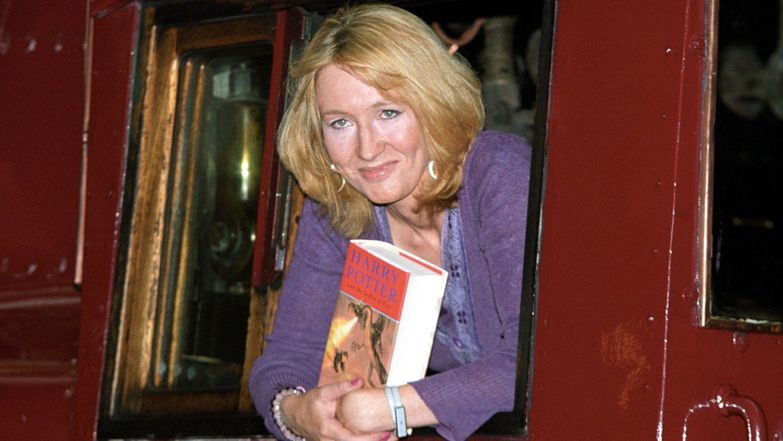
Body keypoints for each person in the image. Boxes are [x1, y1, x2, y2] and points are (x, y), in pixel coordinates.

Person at [249, 4, 531, 441]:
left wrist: (394, 407)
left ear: (433, 105)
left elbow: (536, 361)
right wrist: (298, 412)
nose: (366, 149)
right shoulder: (340, 209)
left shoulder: (499, 172)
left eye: (387, 113)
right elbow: (287, 358)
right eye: (340, 123)